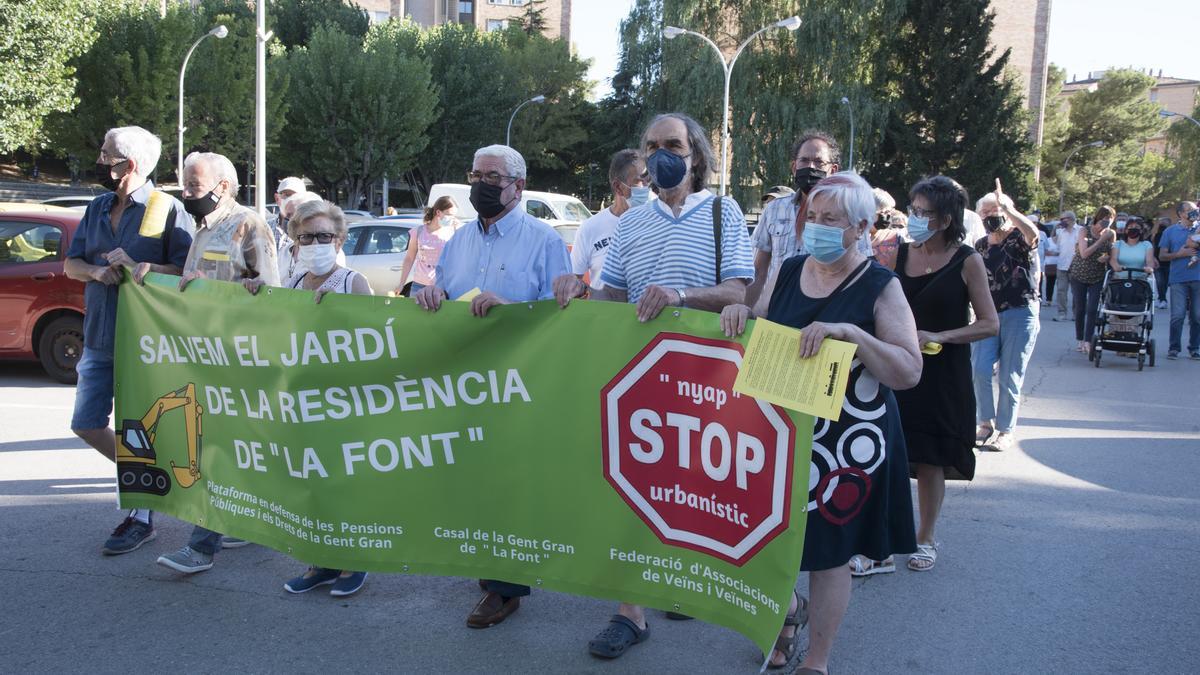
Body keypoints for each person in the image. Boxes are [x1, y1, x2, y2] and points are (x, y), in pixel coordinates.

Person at [553, 113, 755, 660]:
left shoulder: (721, 212)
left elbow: (739, 290)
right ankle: (630, 614)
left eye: (673, 144)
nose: (661, 154)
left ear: (696, 156)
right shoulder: (631, 224)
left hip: (706, 382)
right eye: (651, 145)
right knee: (633, 492)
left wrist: (680, 296)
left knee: (705, 493)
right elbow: (609, 302)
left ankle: (708, 588)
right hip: (639, 379)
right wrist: (578, 287)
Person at [721, 172, 921, 674]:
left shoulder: (881, 284)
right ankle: (787, 616)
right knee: (769, 538)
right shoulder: (789, 269)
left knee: (829, 554)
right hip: (783, 428)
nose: (818, 228)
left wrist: (851, 333)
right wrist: (740, 316)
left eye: (831, 220)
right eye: (813, 218)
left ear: (860, 227)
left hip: (845, 444)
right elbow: (764, 322)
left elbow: (908, 370)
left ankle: (818, 660)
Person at [413, 144, 570, 628]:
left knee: (508, 484)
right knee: (474, 480)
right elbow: (441, 294)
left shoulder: (545, 241)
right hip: (463, 384)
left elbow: (560, 316)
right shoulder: (458, 242)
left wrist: (513, 310)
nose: (480, 183)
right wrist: (431, 294)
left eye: (492, 176)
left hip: (516, 386)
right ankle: (489, 566)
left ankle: (506, 587)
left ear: (518, 186)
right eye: (474, 173)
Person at [850, 176, 997, 577]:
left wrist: (941, 336)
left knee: (931, 460)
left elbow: (989, 324)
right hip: (894, 368)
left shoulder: (968, 260)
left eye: (922, 212)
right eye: (912, 209)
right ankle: (878, 545)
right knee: (881, 455)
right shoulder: (895, 252)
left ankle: (925, 537)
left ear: (946, 218)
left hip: (942, 374)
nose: (913, 218)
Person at [63, 126, 194, 555]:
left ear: (129, 164)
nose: (100, 160)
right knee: (86, 422)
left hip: (145, 341)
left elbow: (188, 274)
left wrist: (141, 265)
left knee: (137, 426)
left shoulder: (166, 207)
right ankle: (149, 476)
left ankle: (141, 515)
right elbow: (71, 263)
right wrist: (96, 272)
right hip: (100, 334)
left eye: (106, 154)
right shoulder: (99, 206)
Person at [156, 151, 280, 575]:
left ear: (222, 186)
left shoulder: (248, 226)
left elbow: (269, 294)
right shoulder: (201, 228)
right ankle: (243, 521)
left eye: (193, 186)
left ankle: (201, 548)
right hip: (204, 354)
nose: (186, 194)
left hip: (237, 359)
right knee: (225, 449)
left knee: (213, 452)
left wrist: (215, 291)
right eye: (185, 186)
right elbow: (194, 283)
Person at [243, 198, 372, 596]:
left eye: (323, 236)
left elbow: (372, 345)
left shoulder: (353, 283)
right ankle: (320, 562)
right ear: (295, 242)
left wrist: (336, 315)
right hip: (303, 406)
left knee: (345, 485)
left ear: (338, 240)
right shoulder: (295, 284)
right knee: (311, 484)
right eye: (306, 236)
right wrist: (260, 295)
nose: (314, 243)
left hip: (344, 404)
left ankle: (355, 562)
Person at [744, 130, 871, 310]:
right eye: (804, 160)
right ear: (794, 166)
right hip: (775, 310)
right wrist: (747, 312)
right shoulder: (774, 209)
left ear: (833, 170)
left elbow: (863, 269)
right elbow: (759, 270)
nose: (811, 167)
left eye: (819, 162)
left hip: (826, 314)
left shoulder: (850, 213)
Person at [972, 179, 1040, 452]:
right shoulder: (980, 245)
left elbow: (1033, 233)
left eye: (994, 210)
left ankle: (1005, 430)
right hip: (988, 315)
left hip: (1020, 311)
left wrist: (1009, 209)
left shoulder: (1018, 238)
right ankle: (985, 422)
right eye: (985, 212)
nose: (990, 216)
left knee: (1010, 376)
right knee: (979, 369)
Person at [556, 149, 647, 299]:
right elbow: (574, 283)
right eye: (639, 181)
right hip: (608, 316)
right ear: (618, 187)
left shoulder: (658, 221)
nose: (646, 188)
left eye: (648, 180)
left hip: (651, 319)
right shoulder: (590, 228)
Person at [1068, 207, 1116, 355]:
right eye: (1105, 218)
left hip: (1098, 275)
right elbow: (1084, 253)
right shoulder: (1085, 230)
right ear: (1098, 218)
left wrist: (1106, 257)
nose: (1107, 221)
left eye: (1111, 219)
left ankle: (1089, 340)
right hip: (1079, 273)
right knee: (1080, 308)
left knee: (1092, 309)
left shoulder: (1111, 234)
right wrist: (1100, 239)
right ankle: (1080, 339)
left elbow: (1111, 253)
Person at [1159, 201, 1200, 359]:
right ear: (1181, 214)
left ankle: (1195, 348)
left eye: (1195, 210)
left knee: (1197, 315)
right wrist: (1179, 254)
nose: (1193, 212)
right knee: (1178, 315)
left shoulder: (1199, 229)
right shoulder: (1170, 231)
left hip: (1198, 278)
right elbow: (1162, 255)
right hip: (1178, 279)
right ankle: (1174, 348)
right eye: (1189, 210)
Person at [397, 195, 460, 295]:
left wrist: (458, 231)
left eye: (454, 216)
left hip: (442, 287)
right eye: (450, 215)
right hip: (419, 285)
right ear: (438, 212)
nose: (452, 219)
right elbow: (409, 258)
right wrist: (401, 284)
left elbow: (460, 258)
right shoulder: (419, 231)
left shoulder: (453, 232)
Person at [277, 192, 346, 281]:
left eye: (295, 214)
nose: (289, 220)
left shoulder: (329, 253)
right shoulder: (284, 252)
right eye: (287, 215)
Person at [1053, 211, 1082, 320]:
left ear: (1070, 219)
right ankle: (1062, 313)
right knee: (1061, 290)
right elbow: (1057, 246)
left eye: (1062, 219)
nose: (1061, 222)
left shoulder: (1080, 230)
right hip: (1062, 265)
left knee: (1076, 292)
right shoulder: (1060, 232)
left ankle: (1076, 314)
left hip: (1076, 266)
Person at [270, 176, 307, 245]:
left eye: (297, 196)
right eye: (287, 195)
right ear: (277, 198)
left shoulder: (310, 230)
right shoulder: (265, 228)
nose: (292, 200)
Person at [1150, 216, 1172, 308]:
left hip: (1168, 261)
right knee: (1159, 281)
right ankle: (1162, 299)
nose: (1162, 224)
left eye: (1165, 222)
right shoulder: (1157, 235)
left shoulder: (1170, 234)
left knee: (1165, 282)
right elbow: (1154, 247)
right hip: (1158, 261)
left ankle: (1162, 298)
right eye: (1161, 223)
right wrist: (1153, 258)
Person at [1042, 220, 1060, 305]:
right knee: (1050, 283)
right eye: (1058, 228)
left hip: (1062, 264)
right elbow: (1044, 251)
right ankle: (1049, 299)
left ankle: (1061, 302)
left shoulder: (1065, 240)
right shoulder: (1049, 240)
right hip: (1050, 264)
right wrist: (1055, 253)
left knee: (1061, 285)